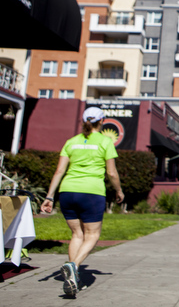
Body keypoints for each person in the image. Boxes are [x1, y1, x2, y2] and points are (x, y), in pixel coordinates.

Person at [41, 107, 124, 297]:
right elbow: (111, 172)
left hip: (67, 192)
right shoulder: (105, 141)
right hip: (91, 193)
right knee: (92, 235)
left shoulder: (71, 142)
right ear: (101, 122)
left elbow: (59, 171)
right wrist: (119, 191)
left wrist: (49, 196)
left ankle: (74, 278)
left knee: (76, 234)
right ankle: (73, 265)